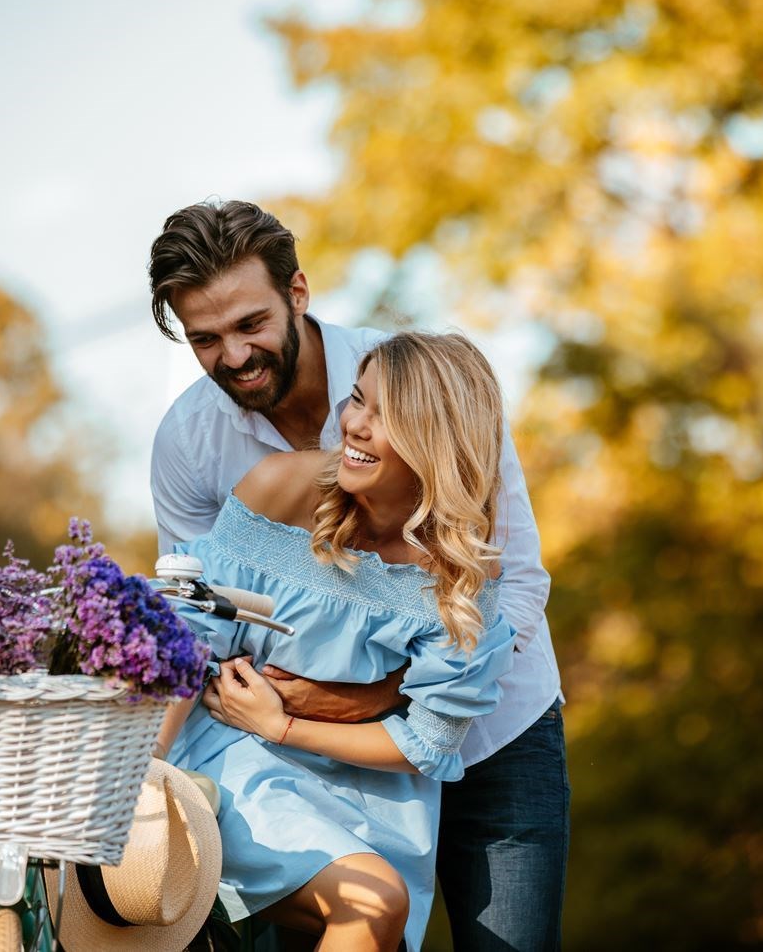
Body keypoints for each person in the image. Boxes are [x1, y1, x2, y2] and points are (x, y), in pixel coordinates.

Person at [147, 200, 569, 950]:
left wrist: (380, 699)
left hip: (492, 733)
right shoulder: (192, 441)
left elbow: (517, 586)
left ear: (297, 292)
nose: (234, 356)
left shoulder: (424, 383)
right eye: (205, 338)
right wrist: (141, 770)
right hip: (292, 762)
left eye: (251, 324)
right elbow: (193, 620)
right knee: (356, 915)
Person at [163, 332, 515, 951]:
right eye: (357, 399)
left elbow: (426, 741)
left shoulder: (460, 571)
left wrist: (284, 725)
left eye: (385, 415)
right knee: (374, 902)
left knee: (379, 908)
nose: (354, 424)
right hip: (236, 751)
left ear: (437, 440)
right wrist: (144, 772)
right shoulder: (280, 487)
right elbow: (185, 636)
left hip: (368, 788)